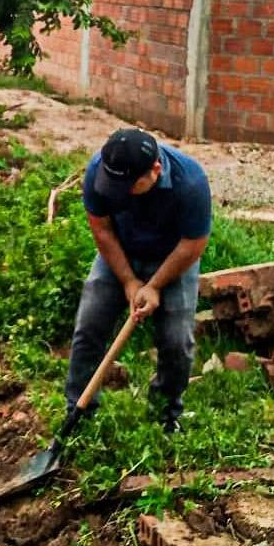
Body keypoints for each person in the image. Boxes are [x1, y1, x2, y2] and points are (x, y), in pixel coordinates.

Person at [66, 128, 211, 433]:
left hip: (174, 258)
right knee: (89, 326)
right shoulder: (99, 171)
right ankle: (78, 414)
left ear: (155, 171)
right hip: (120, 252)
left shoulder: (191, 183)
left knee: (176, 342)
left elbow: (193, 244)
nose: (116, 192)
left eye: (127, 186)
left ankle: (165, 414)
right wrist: (130, 281)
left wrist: (155, 286)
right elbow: (102, 230)